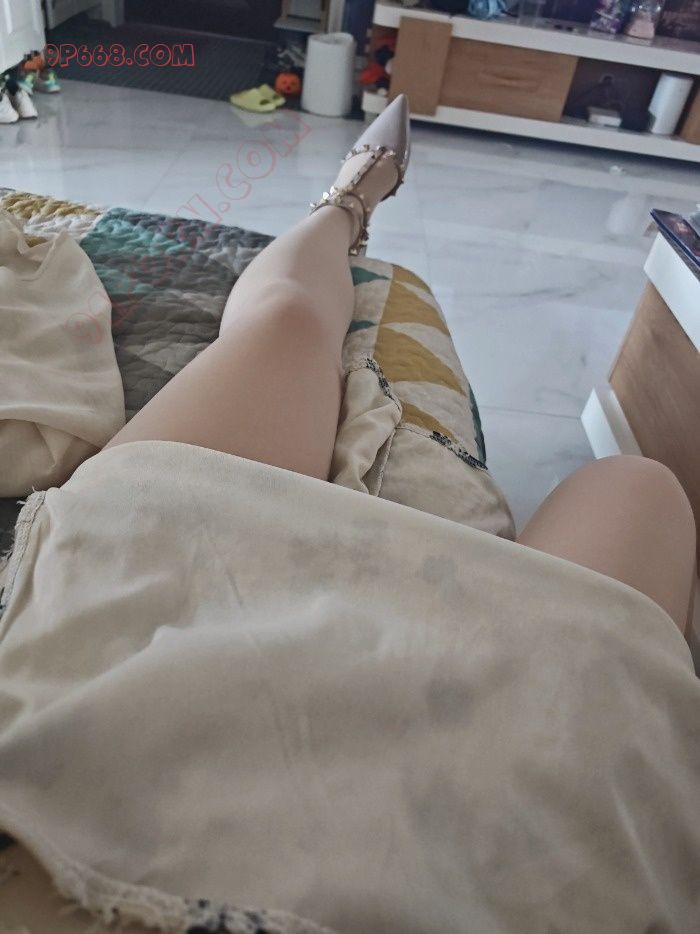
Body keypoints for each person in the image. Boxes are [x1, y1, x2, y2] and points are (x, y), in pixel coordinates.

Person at [0, 94, 698, 934]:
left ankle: (344, 207)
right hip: (523, 806)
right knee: (640, 486)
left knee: (289, 323)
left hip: (122, 658)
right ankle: (342, 212)